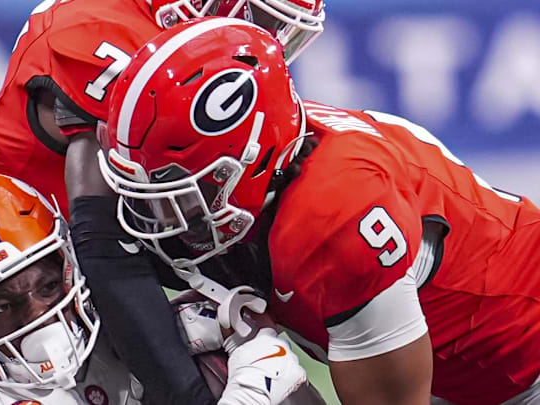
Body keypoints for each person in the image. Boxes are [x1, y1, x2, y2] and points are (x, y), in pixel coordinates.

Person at [98, 17, 540, 405]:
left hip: (522, 369)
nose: (156, 217)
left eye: (179, 193)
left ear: (250, 159)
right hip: (467, 367)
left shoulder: (337, 218)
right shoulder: (279, 151)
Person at [0, 1, 327, 404]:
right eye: (262, 19)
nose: (268, 41)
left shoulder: (177, 48)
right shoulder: (101, 31)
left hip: (80, 264)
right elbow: (102, 241)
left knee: (238, 350)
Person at [0, 172, 320, 405]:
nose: (40, 315)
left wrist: (255, 362)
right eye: (0, 308)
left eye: (48, 285)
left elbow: (263, 355)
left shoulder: (121, 321)